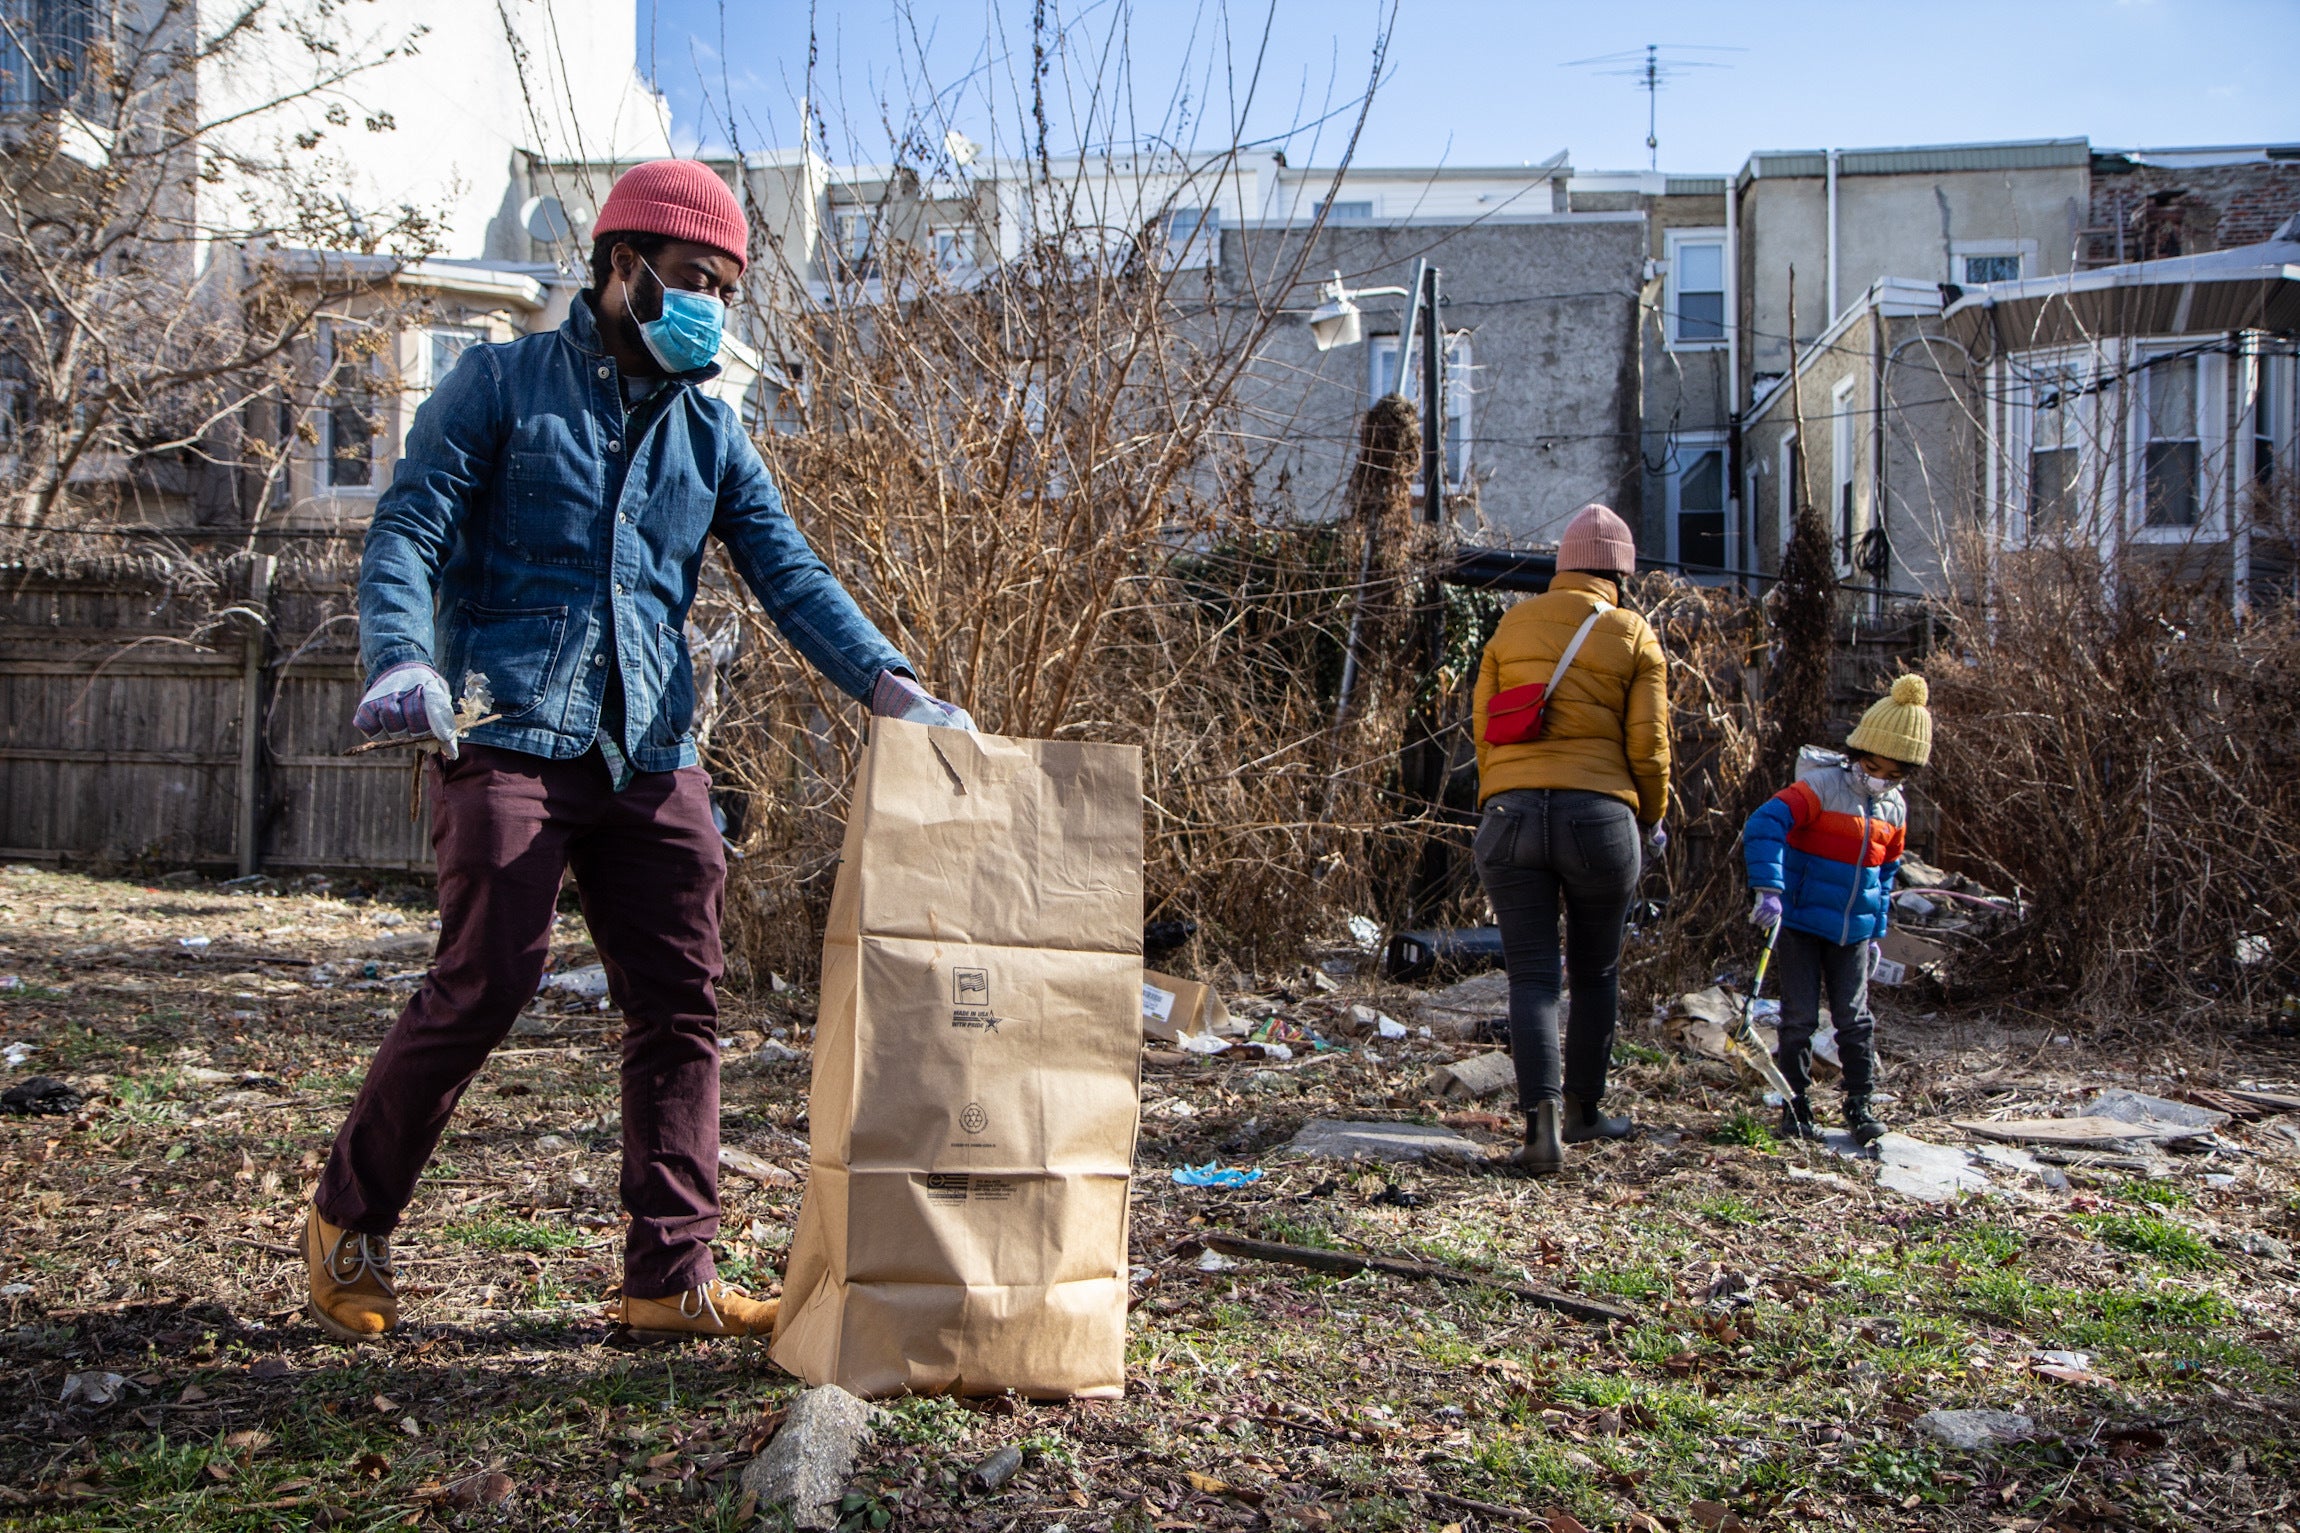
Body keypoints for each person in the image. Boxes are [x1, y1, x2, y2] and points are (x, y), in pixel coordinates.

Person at [307, 160, 971, 1344]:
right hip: (506, 725)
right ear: (622, 268)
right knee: (490, 975)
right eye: (691, 279)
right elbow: (410, 524)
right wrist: (401, 657)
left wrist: (890, 686)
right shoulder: (501, 383)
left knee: (679, 1001)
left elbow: (789, 573)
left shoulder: (709, 433)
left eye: (726, 287)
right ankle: (349, 1221)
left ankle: (668, 1279)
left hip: (651, 743)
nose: (709, 304)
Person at [1469, 503, 1670, 1175]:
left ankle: (1541, 1129)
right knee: (1594, 971)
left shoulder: (1510, 623)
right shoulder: (1632, 633)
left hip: (1511, 817)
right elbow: (1650, 745)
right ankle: (1586, 1109)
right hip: (1600, 819)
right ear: (1620, 571)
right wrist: (1650, 815)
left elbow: (1485, 729)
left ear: (1562, 566)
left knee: (1530, 974)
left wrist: (1505, 796)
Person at [1742, 674, 1933, 1149]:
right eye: (1873, 766)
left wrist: (1876, 933)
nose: (1880, 779)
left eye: (1893, 773)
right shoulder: (1820, 787)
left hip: (1853, 932)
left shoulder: (1895, 809)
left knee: (1854, 1019)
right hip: (1803, 923)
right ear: (1858, 753)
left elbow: (1886, 874)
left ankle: (1860, 1104)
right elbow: (1764, 822)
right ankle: (1794, 1104)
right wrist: (1769, 888)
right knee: (1799, 1018)